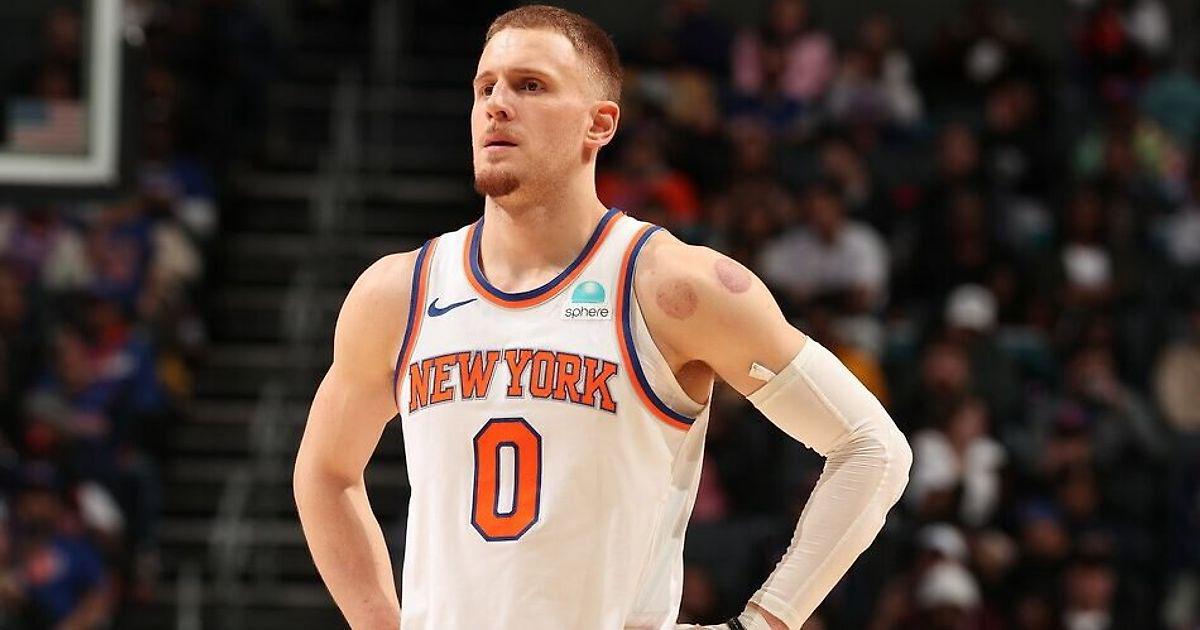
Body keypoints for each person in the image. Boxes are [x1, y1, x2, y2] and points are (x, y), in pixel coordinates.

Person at [292, 6, 911, 630]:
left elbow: (872, 448)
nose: (497, 105)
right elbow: (325, 472)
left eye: (530, 85)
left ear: (600, 123)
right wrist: (378, 622)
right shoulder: (397, 293)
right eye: (485, 87)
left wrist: (765, 622)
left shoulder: (673, 286)